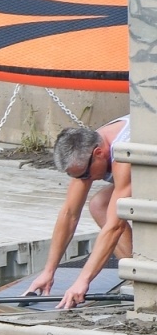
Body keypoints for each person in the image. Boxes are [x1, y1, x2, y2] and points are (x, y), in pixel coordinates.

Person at [24, 117, 132, 308]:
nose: (84, 180)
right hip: (147, 172)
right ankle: (139, 274)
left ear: (98, 153)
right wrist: (48, 271)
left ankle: (143, 273)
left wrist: (83, 281)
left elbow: (115, 225)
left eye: (85, 175)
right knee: (99, 205)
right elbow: (69, 214)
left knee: (113, 209)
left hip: (146, 163)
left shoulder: (124, 151)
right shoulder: (88, 147)